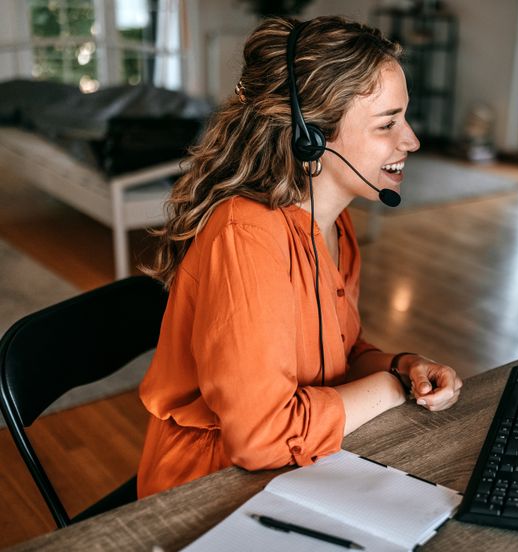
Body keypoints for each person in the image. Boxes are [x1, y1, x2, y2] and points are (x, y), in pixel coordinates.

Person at [136, 15, 463, 498]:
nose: (411, 140)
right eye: (388, 123)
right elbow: (260, 437)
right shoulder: (246, 236)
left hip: (299, 464)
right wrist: (392, 389)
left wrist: (403, 366)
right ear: (311, 136)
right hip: (210, 487)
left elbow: (339, 356)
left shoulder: (336, 224)